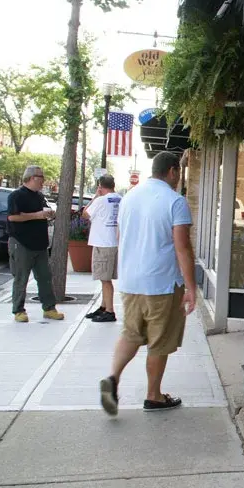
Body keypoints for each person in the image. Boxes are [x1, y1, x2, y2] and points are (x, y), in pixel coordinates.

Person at [99, 152, 196, 415]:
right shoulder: (175, 202)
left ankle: (113, 378)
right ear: (173, 172)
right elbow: (183, 247)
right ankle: (154, 396)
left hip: (131, 281)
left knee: (131, 333)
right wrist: (191, 287)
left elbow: (121, 235)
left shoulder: (130, 197)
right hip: (162, 283)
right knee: (159, 341)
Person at [6, 165, 64, 323]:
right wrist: (37, 215)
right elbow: (13, 217)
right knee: (21, 278)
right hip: (21, 243)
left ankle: (49, 308)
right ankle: (18, 310)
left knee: (45, 277)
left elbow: (42, 213)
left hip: (40, 244)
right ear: (31, 178)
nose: (43, 181)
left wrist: (48, 214)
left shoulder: (39, 196)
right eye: (41, 177)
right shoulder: (16, 196)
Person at [82, 175, 121, 322]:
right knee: (105, 277)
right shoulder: (120, 199)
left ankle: (110, 311)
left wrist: (95, 196)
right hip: (113, 243)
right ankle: (104, 306)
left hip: (102, 243)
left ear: (100, 186)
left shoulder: (100, 200)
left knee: (105, 279)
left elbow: (85, 213)